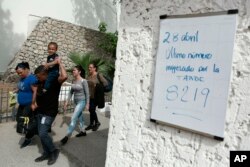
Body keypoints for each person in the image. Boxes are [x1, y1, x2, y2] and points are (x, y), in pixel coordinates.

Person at [34, 59, 67, 165]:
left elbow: (65, 77)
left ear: (45, 74)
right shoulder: (40, 81)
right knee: (40, 133)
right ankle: (46, 153)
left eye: (39, 76)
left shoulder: (54, 81)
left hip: (49, 112)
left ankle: (53, 151)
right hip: (40, 111)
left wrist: (59, 63)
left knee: (43, 133)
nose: (38, 78)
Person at [60, 65, 90, 145]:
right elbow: (71, 92)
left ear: (79, 72)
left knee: (73, 118)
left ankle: (67, 136)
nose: (73, 71)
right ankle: (83, 131)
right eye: (73, 70)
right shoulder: (73, 81)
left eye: (75, 70)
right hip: (75, 102)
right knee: (80, 117)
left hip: (82, 101)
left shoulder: (84, 81)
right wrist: (67, 102)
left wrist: (87, 104)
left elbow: (87, 93)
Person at [15, 62, 38, 148]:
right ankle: (31, 133)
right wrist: (16, 90)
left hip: (28, 104)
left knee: (26, 122)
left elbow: (35, 91)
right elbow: (21, 87)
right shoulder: (22, 78)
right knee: (19, 119)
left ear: (26, 69)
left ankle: (28, 138)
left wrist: (33, 103)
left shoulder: (31, 79)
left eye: (20, 72)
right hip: (22, 104)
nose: (19, 74)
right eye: (18, 73)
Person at [85, 63, 108, 131]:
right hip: (90, 95)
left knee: (92, 109)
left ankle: (97, 123)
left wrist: (96, 85)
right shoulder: (89, 76)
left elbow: (105, 83)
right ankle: (92, 124)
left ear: (95, 68)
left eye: (91, 67)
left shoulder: (98, 75)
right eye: (89, 67)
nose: (89, 69)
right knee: (91, 110)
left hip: (96, 96)